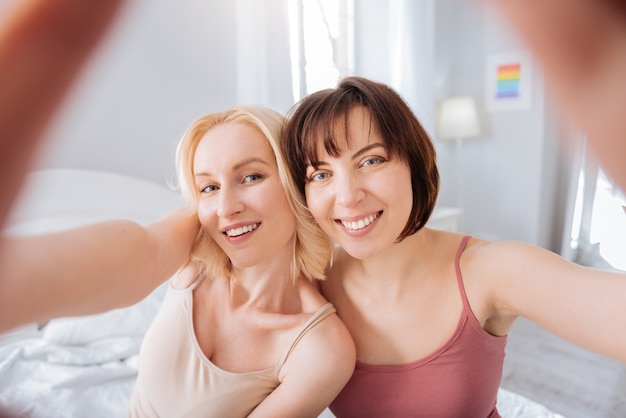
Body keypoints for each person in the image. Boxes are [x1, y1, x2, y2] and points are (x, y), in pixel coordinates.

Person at [281, 76, 626, 417]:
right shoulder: (308, 290)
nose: (347, 196)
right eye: (320, 174)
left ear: (414, 164)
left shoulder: (489, 271)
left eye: (371, 161)